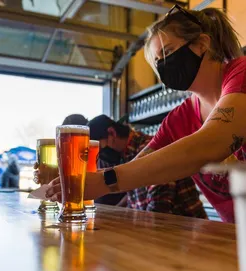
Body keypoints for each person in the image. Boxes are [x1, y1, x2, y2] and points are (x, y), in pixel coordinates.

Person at [46, 6, 246, 223]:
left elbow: (211, 143)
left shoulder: (241, 73)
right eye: (158, 61)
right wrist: (86, 181)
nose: (164, 65)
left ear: (202, 44)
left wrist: (105, 180)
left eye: (168, 52)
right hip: (235, 236)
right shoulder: (179, 119)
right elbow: (143, 163)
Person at [88, 114, 206, 218]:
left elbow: (159, 207)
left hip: (188, 235)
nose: (102, 155)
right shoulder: (127, 155)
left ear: (112, 133)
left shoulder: (149, 149)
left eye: (100, 148)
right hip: (166, 234)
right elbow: (135, 200)